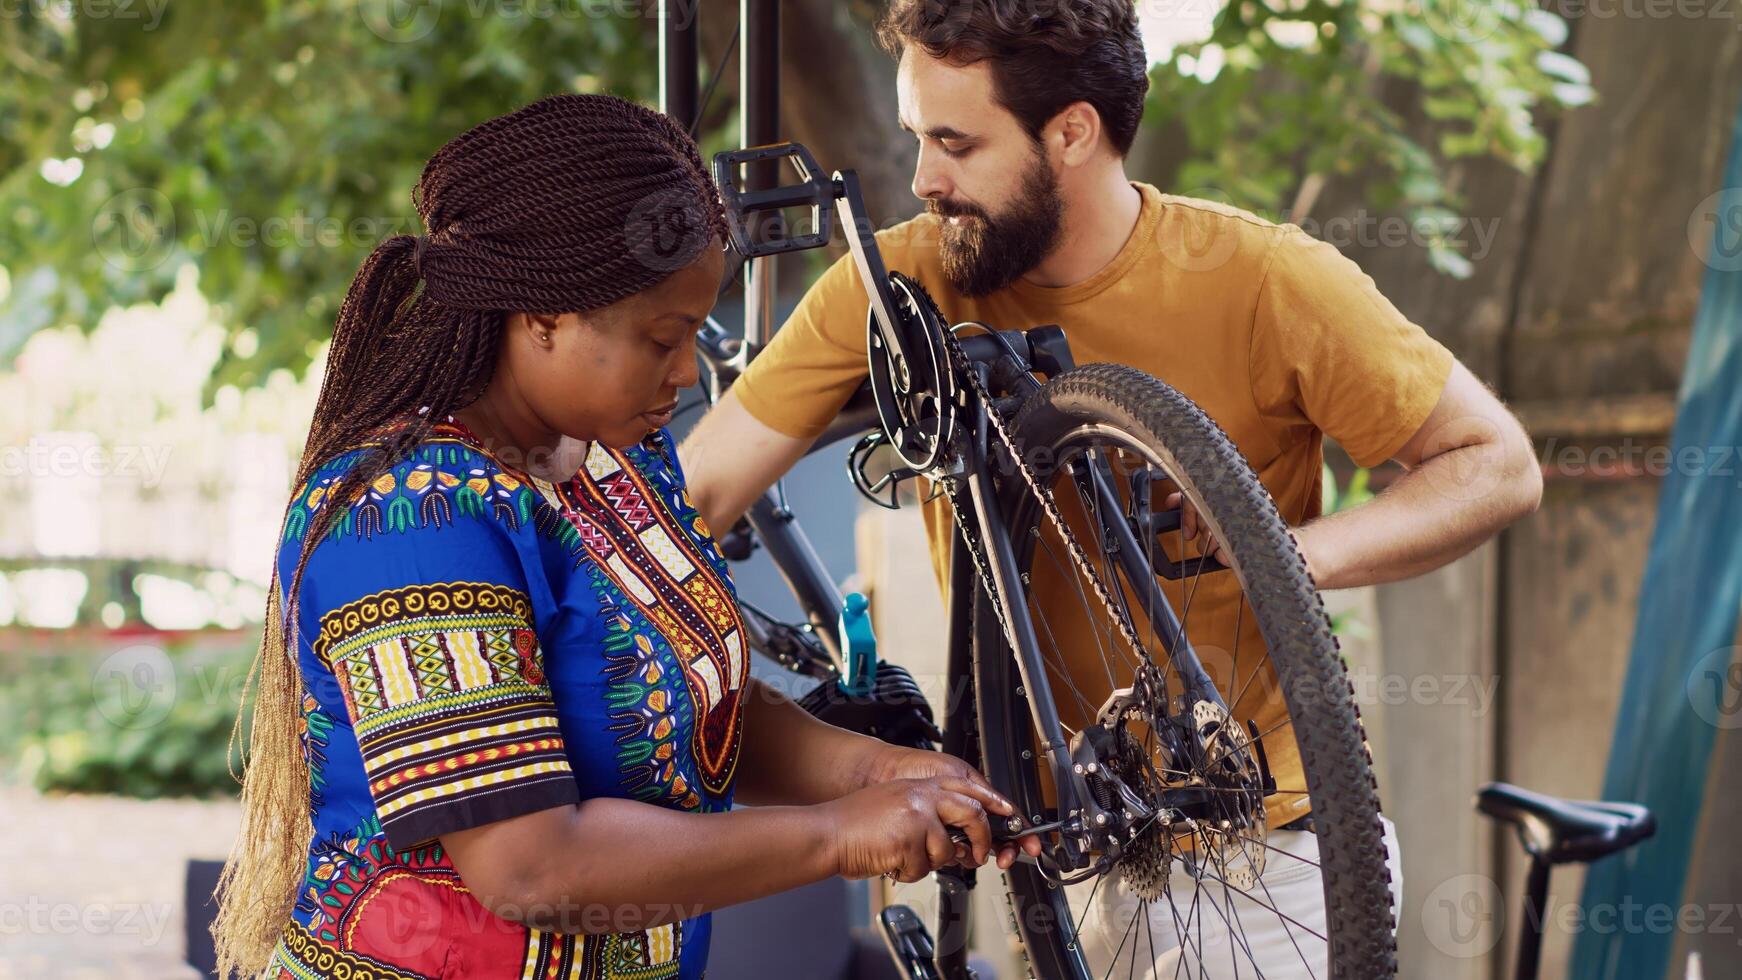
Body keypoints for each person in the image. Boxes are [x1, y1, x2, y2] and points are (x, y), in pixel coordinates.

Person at [679, 1, 1544, 974]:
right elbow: (692, 497)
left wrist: (1284, 551)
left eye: (955, 144)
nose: (924, 179)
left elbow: (1494, 462)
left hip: (1264, 850)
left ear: (1072, 131)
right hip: (1060, 845)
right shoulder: (898, 278)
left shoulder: (1261, 278)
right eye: (918, 136)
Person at [209, 93, 1043, 980]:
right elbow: (532, 866)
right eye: (661, 338)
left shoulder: (615, 457)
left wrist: (877, 772)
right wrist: (838, 837)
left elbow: (683, 706)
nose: (685, 373)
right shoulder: (407, 520)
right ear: (543, 316)